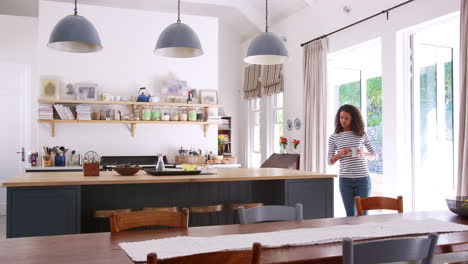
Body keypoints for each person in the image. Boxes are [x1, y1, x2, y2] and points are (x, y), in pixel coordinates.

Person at [328, 104, 377, 216]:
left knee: (364, 214)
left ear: (353, 119)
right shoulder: (334, 137)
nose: (343, 121)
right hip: (345, 181)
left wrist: (363, 154)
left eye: (346, 118)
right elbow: (329, 162)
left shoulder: (361, 134)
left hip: (363, 179)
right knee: (350, 215)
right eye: (341, 117)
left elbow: (374, 155)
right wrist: (340, 154)